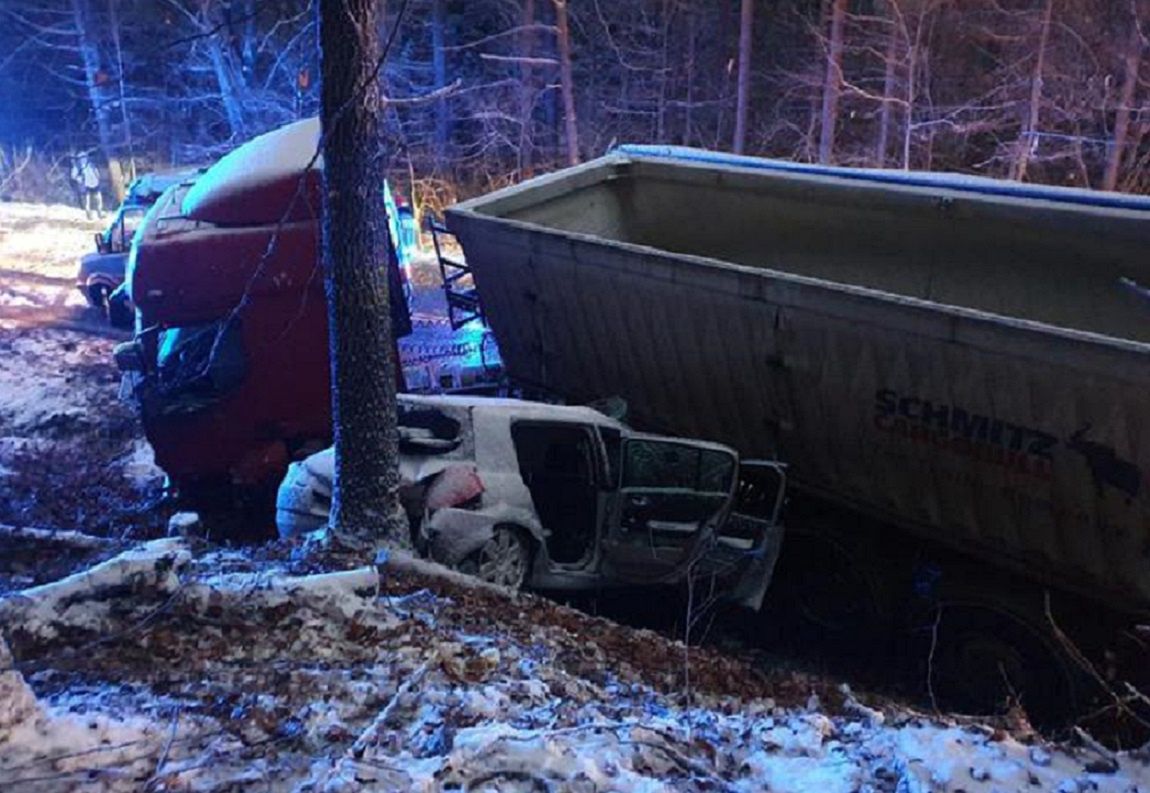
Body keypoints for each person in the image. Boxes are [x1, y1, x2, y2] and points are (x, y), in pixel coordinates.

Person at [71, 153, 104, 219]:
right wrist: (79, 179)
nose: (83, 159)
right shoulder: (78, 166)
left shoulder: (91, 164)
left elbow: (96, 171)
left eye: (84, 157)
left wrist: (98, 177)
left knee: (99, 199)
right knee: (87, 201)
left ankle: (100, 213)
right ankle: (89, 215)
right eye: (81, 158)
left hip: (95, 183)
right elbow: (73, 176)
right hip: (86, 185)